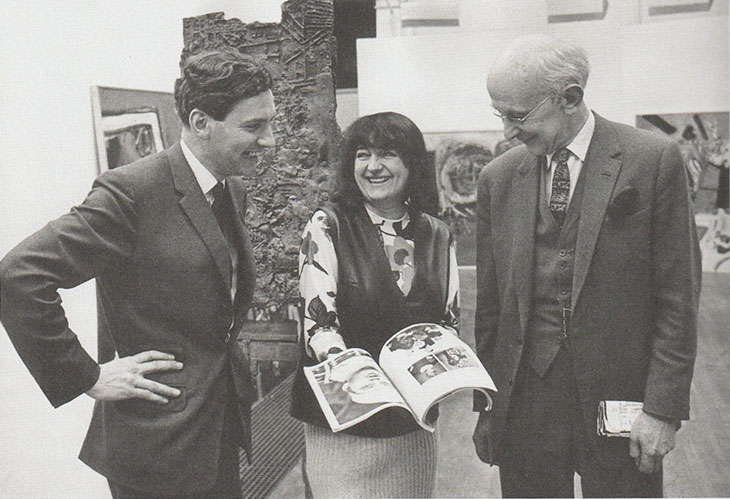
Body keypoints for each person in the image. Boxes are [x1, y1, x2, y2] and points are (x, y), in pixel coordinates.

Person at [0, 48, 276, 498]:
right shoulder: (130, 193)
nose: (270, 139)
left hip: (216, 428)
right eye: (254, 127)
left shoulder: (231, 189)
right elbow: (18, 276)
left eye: (270, 122)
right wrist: (87, 376)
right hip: (157, 445)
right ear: (201, 122)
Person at [471, 34, 701, 498]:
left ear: (570, 97)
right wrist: (488, 406)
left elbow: (678, 297)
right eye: (500, 114)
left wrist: (662, 409)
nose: (507, 132)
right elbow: (491, 309)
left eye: (518, 115)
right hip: (525, 404)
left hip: (620, 404)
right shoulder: (497, 178)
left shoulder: (651, 161)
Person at [289, 112, 460, 498]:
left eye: (387, 154)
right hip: (344, 422)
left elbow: (448, 326)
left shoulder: (438, 234)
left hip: (411, 426)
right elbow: (319, 326)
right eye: (362, 154)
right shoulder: (327, 225)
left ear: (412, 163)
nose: (373, 166)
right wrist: (372, 385)